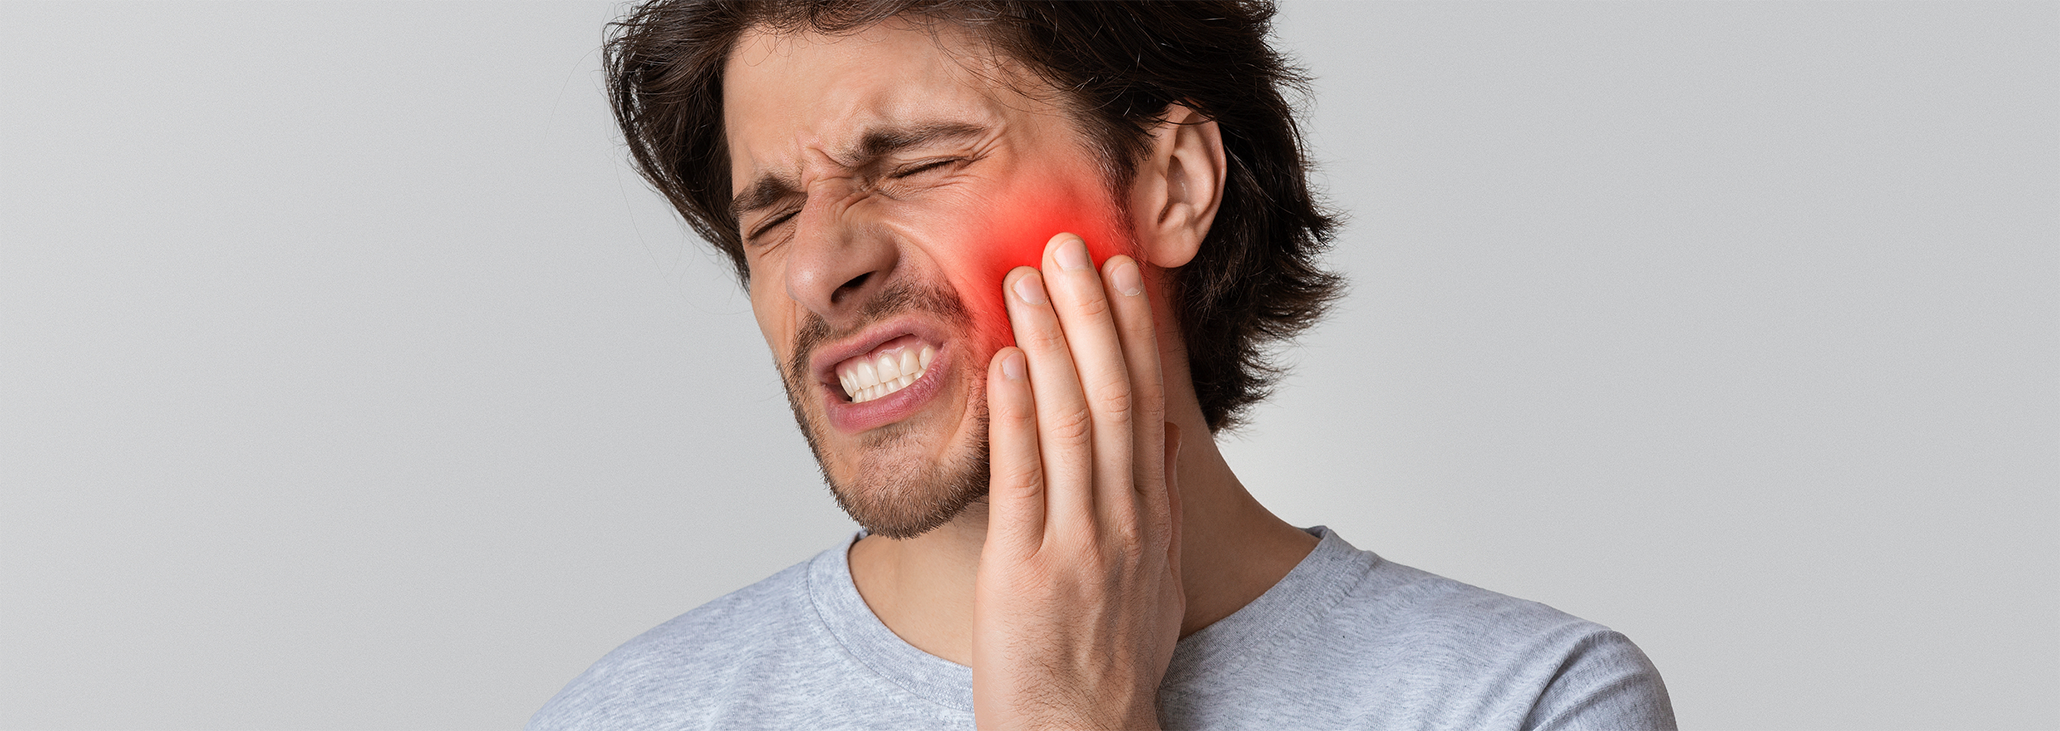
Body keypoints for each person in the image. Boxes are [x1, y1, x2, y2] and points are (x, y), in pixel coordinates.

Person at [531, 1, 1676, 728]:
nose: (815, 266)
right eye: (769, 217)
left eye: (918, 159)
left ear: (1169, 183)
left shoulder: (1517, 703)